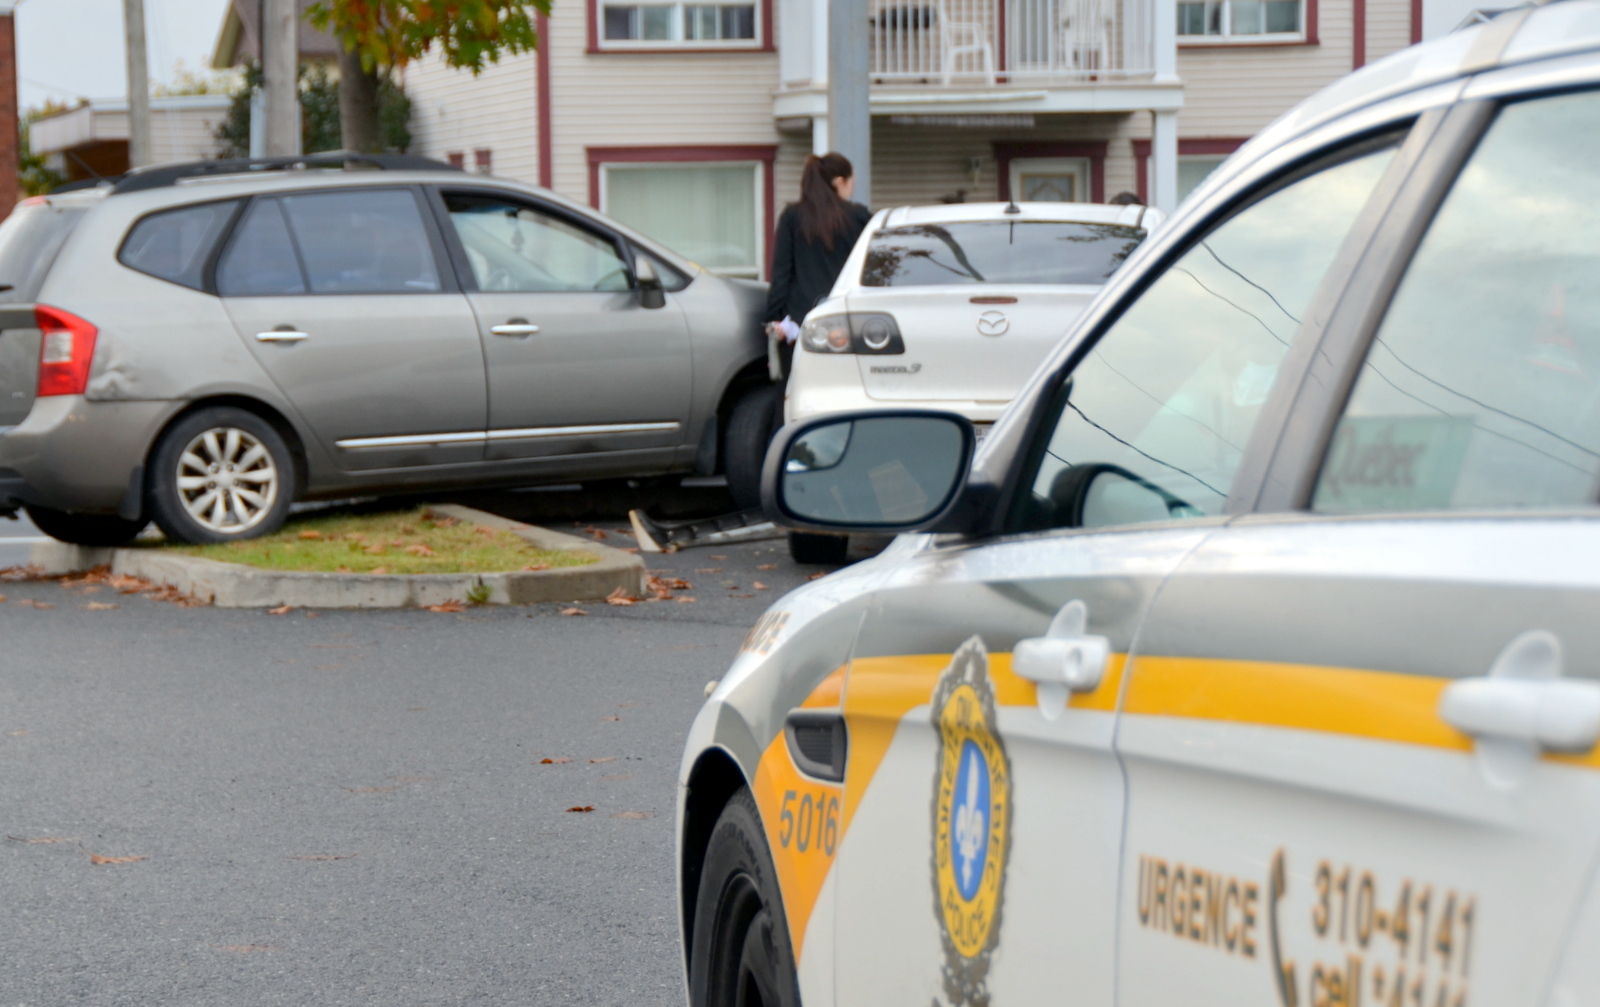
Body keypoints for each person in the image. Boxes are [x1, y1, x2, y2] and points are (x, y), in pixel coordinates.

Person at [764, 152, 873, 377]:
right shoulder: (859, 217)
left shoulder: (792, 217)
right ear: (839, 182)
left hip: (803, 324)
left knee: (796, 394)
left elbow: (781, 272)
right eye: (852, 183)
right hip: (849, 321)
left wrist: (774, 319)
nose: (852, 190)